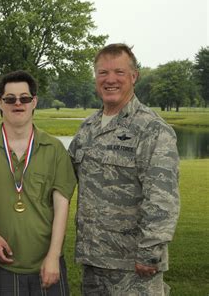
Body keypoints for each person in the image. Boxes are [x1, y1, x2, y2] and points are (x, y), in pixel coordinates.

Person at [68, 43, 180, 295]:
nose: (110, 80)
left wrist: (149, 253)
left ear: (134, 76)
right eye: (102, 73)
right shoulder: (88, 129)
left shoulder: (152, 129)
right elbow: (64, 178)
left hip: (134, 268)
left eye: (119, 72)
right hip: (93, 263)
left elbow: (162, 198)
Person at [0, 70, 76, 295]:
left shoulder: (54, 149)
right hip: (1, 262)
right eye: (10, 99)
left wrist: (53, 256)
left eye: (24, 98)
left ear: (34, 102)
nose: (17, 104)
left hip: (47, 263)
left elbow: (62, 207)